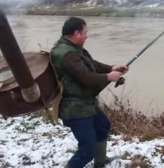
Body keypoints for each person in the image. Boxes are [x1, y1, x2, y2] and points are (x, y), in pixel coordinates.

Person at [50, 17, 128, 168]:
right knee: (87, 150)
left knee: (102, 126)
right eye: (85, 32)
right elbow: (86, 77)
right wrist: (109, 77)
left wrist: (112, 68)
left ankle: (100, 162)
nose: (87, 35)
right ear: (77, 33)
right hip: (75, 108)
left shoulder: (72, 48)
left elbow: (91, 65)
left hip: (85, 103)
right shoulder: (67, 54)